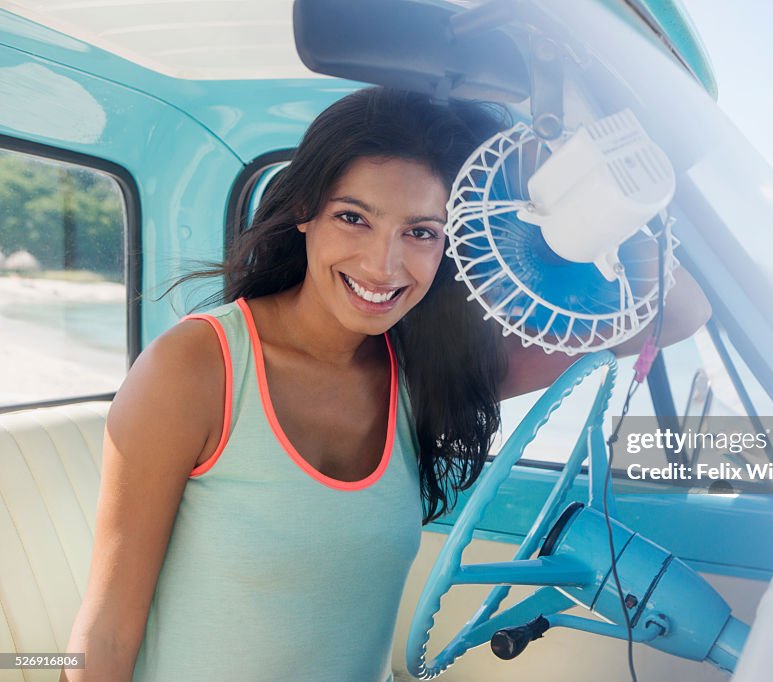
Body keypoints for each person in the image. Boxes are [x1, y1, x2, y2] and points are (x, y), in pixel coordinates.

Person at [63, 86, 710, 681]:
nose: (384, 263)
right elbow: (106, 637)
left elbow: (677, 311)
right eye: (354, 218)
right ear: (305, 212)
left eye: (421, 232)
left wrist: (580, 186)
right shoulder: (195, 369)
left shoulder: (427, 377)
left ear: (451, 244)